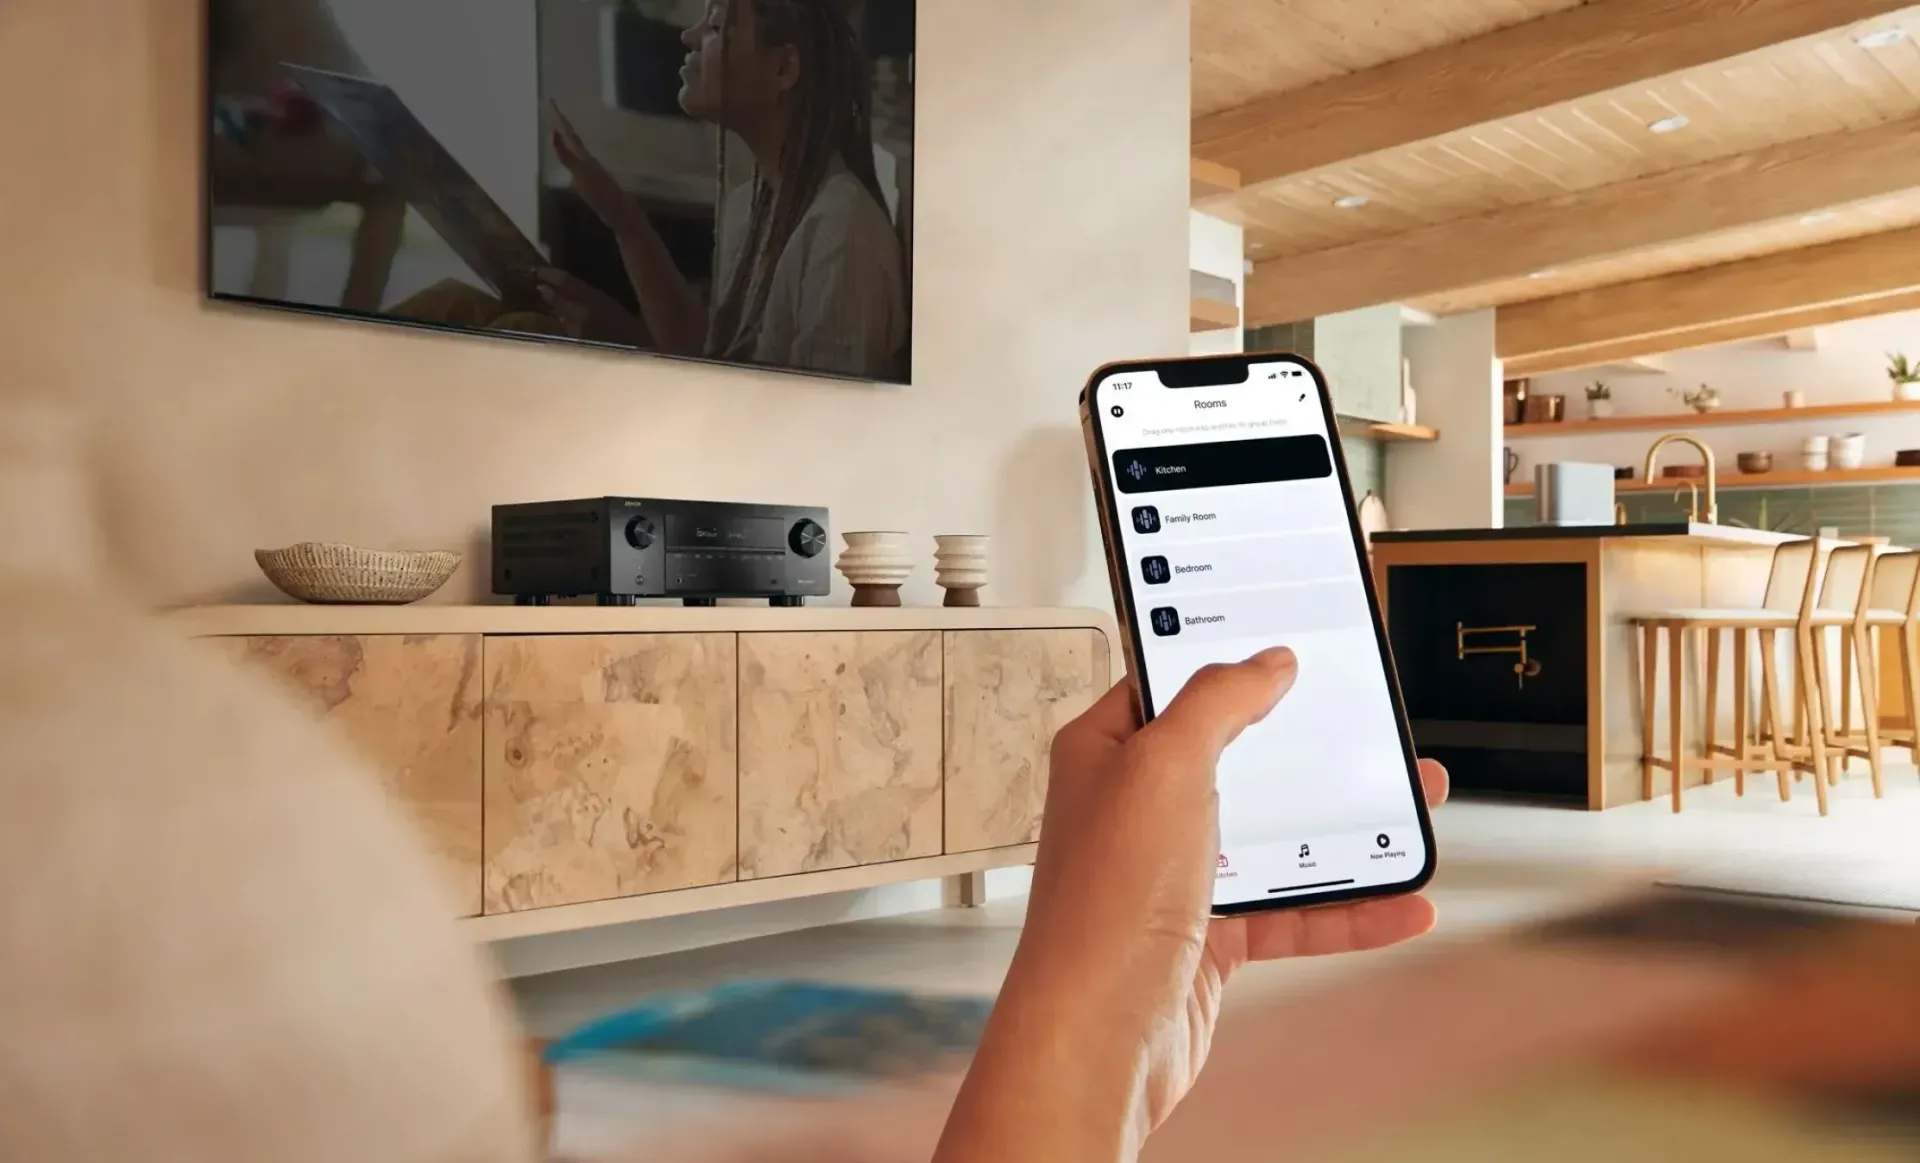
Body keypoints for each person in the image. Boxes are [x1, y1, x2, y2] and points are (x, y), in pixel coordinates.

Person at [542, 0, 910, 380]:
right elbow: (709, 356)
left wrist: (629, 341)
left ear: (783, 68)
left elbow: (807, 427)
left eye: (716, 27)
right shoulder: (746, 208)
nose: (688, 36)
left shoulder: (840, 233)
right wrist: (620, 218)